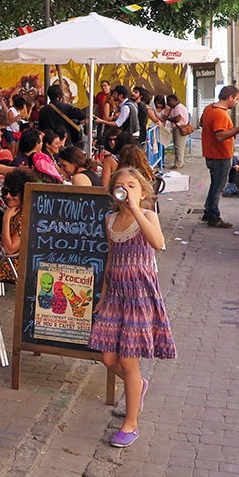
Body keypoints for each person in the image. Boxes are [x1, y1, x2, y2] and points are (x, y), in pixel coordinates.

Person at [88, 168, 175, 448]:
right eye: (121, 186)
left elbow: (158, 243)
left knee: (128, 360)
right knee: (109, 360)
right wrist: (102, 296)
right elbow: (111, 259)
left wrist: (137, 209)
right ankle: (137, 385)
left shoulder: (147, 216)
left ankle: (131, 423)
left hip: (139, 295)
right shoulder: (110, 219)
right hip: (116, 294)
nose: (126, 190)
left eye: (132, 186)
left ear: (143, 192)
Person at [200, 86, 239, 229]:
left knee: (215, 184)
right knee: (218, 187)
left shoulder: (209, 108)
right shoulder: (220, 114)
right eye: (236, 99)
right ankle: (214, 216)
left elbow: (202, 123)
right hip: (220, 155)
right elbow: (219, 135)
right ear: (230, 98)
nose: (237, 102)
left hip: (211, 153)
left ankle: (208, 212)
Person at [0, 169, 36, 283]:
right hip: (10, 264)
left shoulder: (23, 217)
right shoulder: (19, 212)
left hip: (13, 268)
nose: (7, 196)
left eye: (13, 193)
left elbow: (9, 250)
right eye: (5, 191)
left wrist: (6, 219)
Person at [165, 94, 191, 169]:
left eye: (169, 102)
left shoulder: (178, 107)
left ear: (174, 100)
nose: (168, 103)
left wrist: (168, 119)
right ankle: (180, 162)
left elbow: (177, 119)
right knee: (179, 146)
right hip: (178, 128)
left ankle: (178, 163)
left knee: (178, 147)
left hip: (179, 128)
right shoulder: (176, 107)